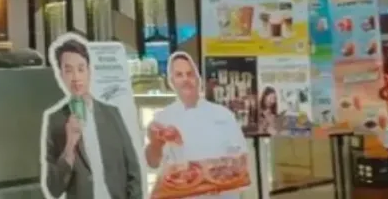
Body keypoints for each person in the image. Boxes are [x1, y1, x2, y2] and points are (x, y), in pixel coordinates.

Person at [42, 38, 142, 199]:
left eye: (81, 69)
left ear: (89, 70)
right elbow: (53, 189)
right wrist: (69, 146)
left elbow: (133, 171)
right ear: (60, 75)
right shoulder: (56, 121)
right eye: (68, 70)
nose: (76, 77)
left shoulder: (112, 114)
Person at [145, 52, 248, 199]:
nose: (186, 79)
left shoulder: (223, 115)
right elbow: (152, 163)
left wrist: (221, 176)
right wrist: (155, 144)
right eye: (179, 75)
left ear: (198, 79)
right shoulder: (162, 118)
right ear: (171, 81)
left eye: (190, 74)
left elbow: (241, 159)